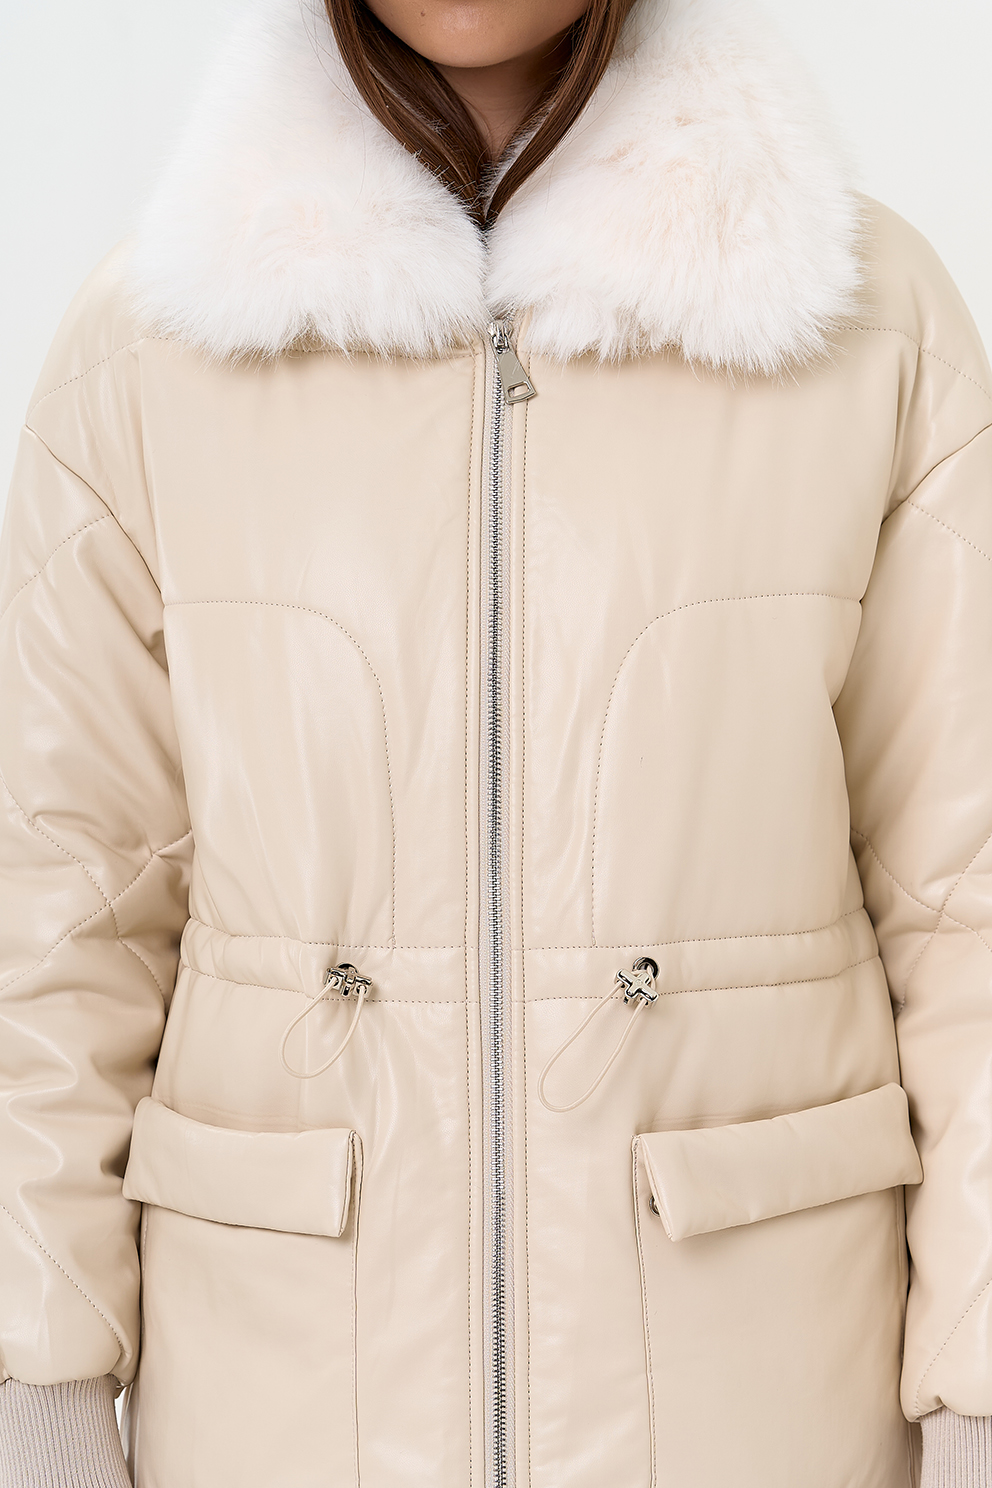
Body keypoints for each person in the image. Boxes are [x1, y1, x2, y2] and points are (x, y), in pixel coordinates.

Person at [1, 0, 990, 1484]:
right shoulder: (146, 351)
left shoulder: (866, 320)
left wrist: (981, 1399)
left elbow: (969, 907)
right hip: (281, 1421)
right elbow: (55, 921)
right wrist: (42, 1397)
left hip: (766, 1413)